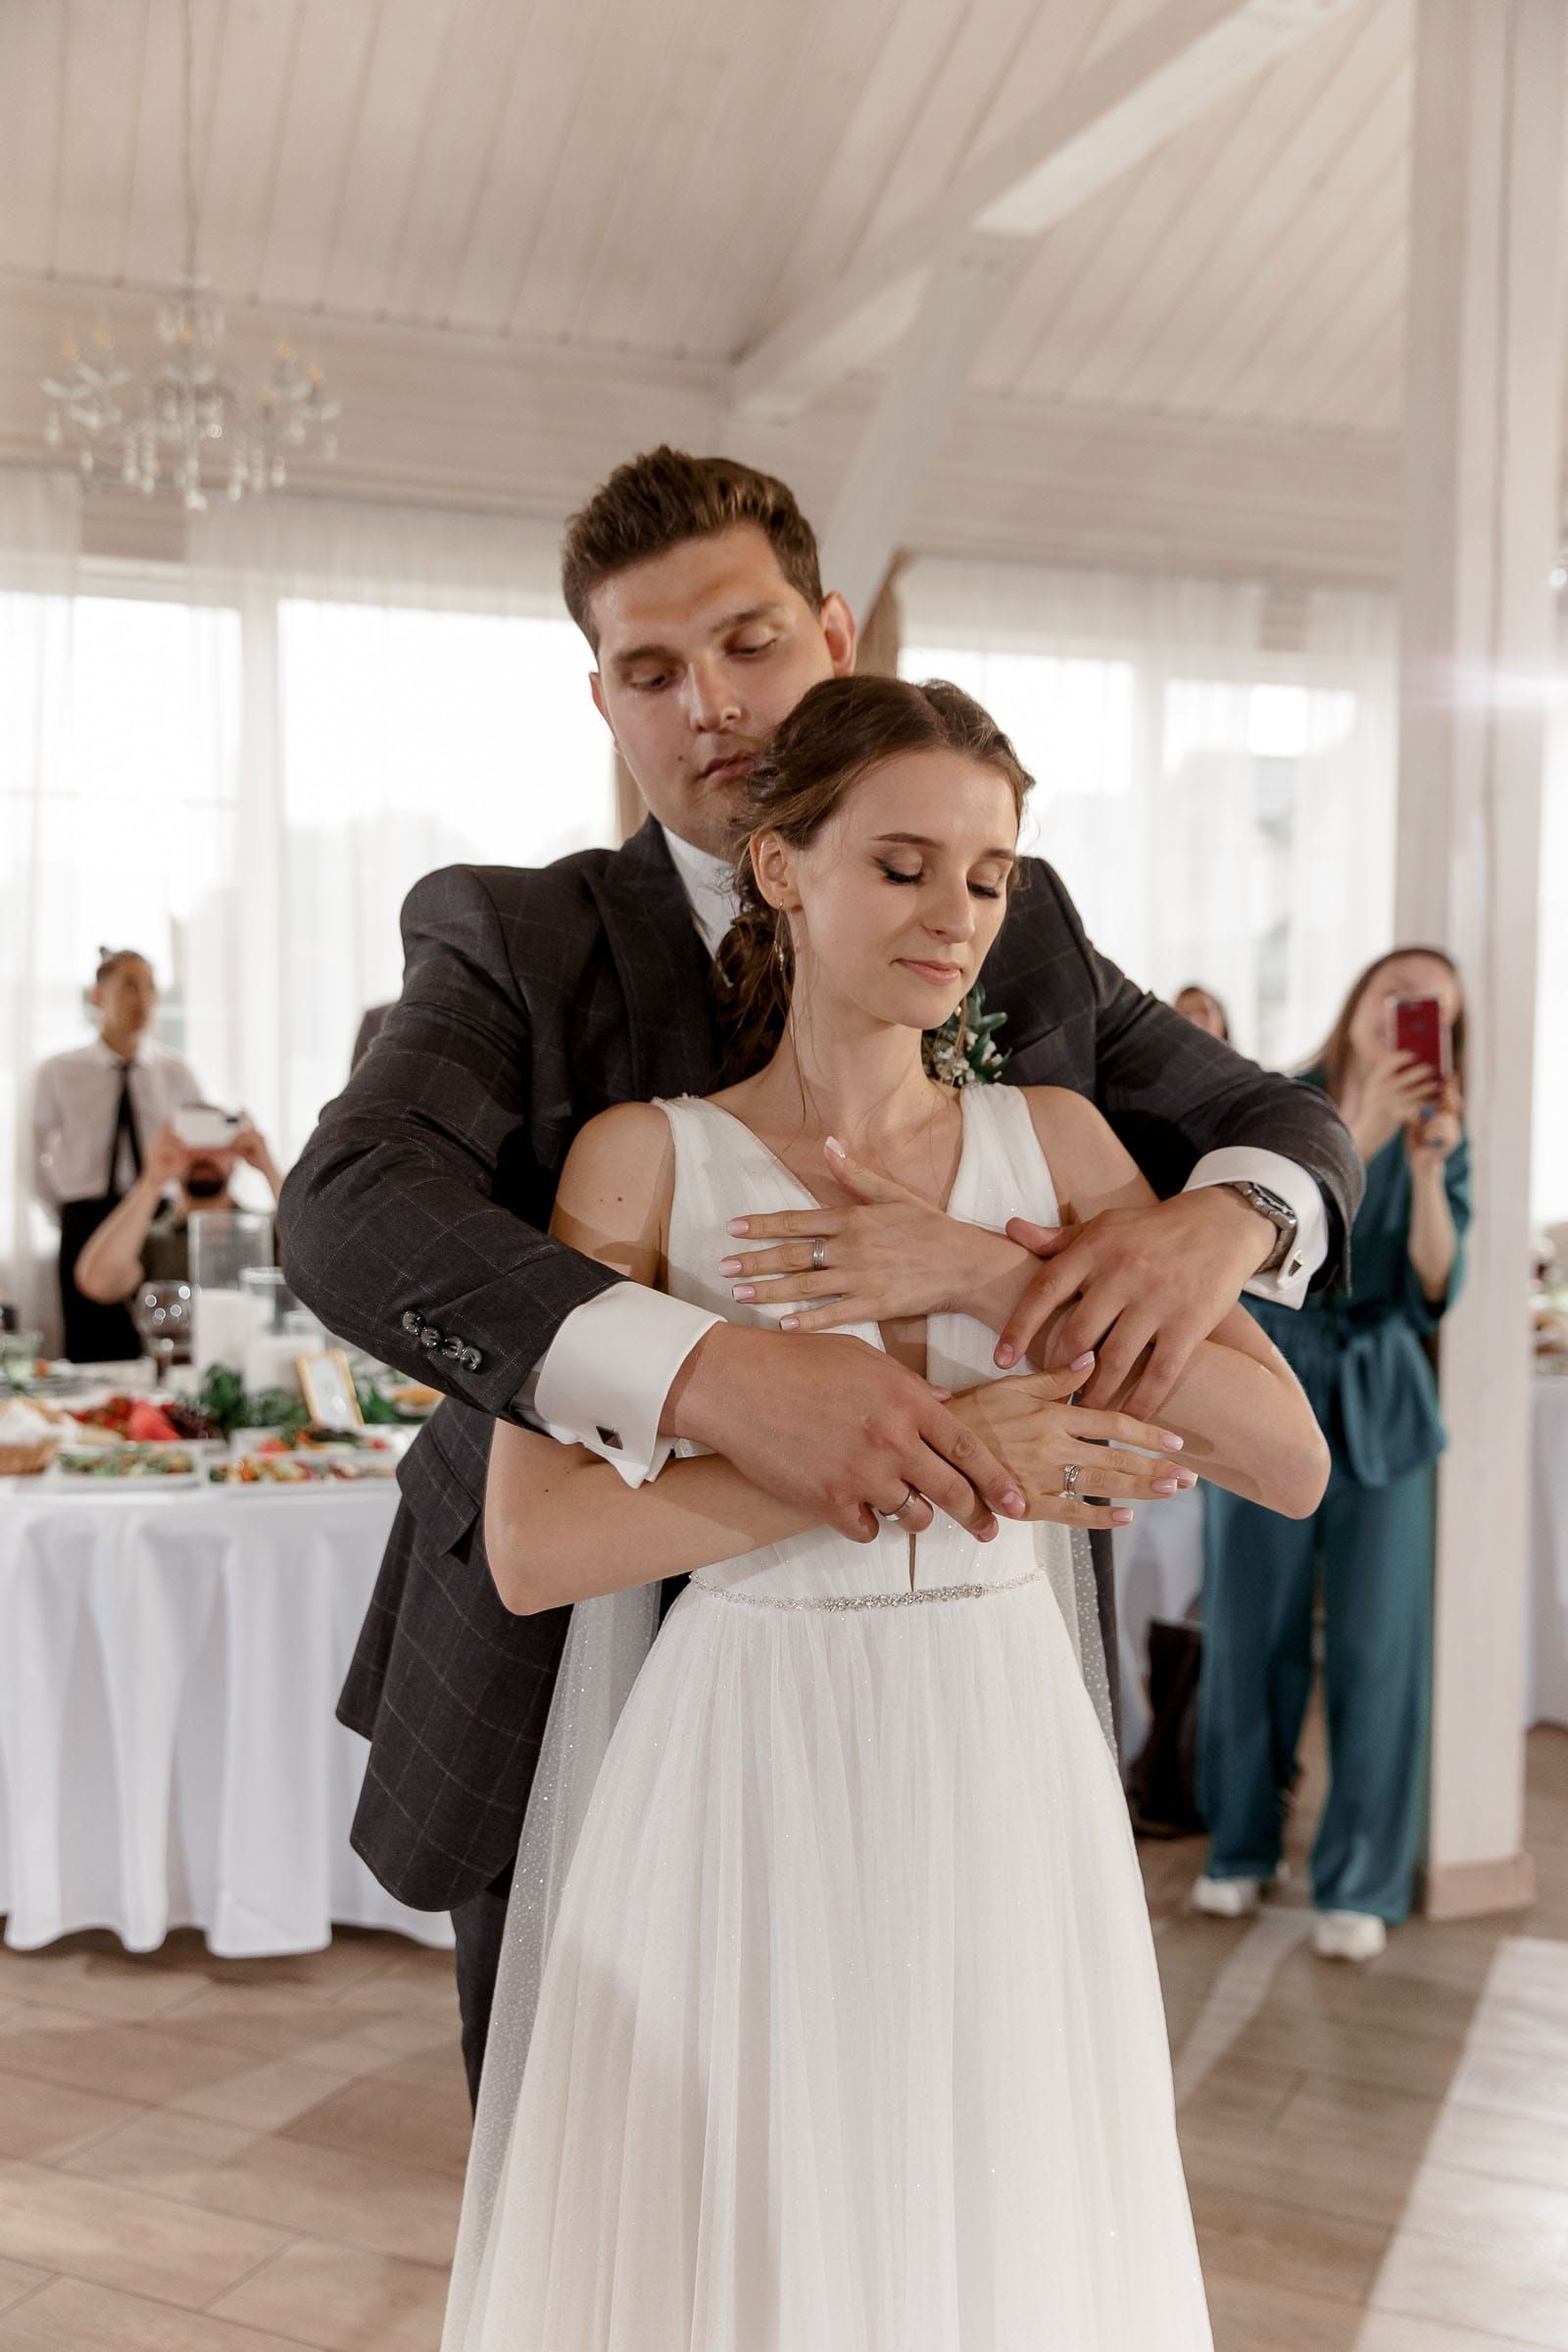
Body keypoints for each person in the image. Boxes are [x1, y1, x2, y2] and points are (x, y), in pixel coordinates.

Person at [278, 447, 1363, 2109]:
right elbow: (352, 1208)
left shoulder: (1010, 917)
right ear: (604, 702)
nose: (712, 703)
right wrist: (722, 1382)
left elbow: (1265, 1121)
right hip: (578, 1660)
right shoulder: (517, 936)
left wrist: (1213, 1228)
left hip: (954, 1717)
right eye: (654, 671)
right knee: (623, 2206)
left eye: (751, 642)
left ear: (834, 632)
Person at [441, 675, 1329, 2348]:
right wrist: (946, 1440)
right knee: (751, 2233)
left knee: (990, 2213)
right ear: (779, 867)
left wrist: (993, 1268)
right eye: (905, 864)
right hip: (744, 1739)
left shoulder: (1051, 1145)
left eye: (989, 877)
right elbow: (537, 1542)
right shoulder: (648, 1161)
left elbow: (1282, 1454)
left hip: (1002, 1743)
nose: (956, 916)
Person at [1193, 947, 1470, 1961]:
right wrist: (1370, 1131)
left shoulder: (1445, 1129)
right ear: (1360, 1003)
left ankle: (1361, 1877)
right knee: (1247, 1624)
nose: (1411, 1016)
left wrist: (1430, 1171)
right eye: (1398, 995)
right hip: (1271, 1373)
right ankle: (1239, 1845)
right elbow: (1265, 1241)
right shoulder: (1283, 1105)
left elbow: (1437, 1285)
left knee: (1376, 1646)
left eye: (1434, 1012)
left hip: (1385, 1397)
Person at [32, 949, 204, 1362]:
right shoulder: (59, 1070)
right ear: (97, 996)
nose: (142, 998)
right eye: (129, 985)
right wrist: (65, 1211)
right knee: (89, 1340)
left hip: (153, 1215)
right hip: (84, 1217)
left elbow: (200, 1144)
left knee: (153, 1338)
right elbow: (33, 1155)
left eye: (149, 987)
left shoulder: (175, 1072)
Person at [73, 1121, 284, 1308]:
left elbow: (313, 1247)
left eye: (216, 1144)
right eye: (192, 1142)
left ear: (236, 1152)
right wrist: (151, 1181)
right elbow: (98, 1284)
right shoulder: (152, 1240)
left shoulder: (266, 1231)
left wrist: (268, 1167)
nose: (203, 1154)